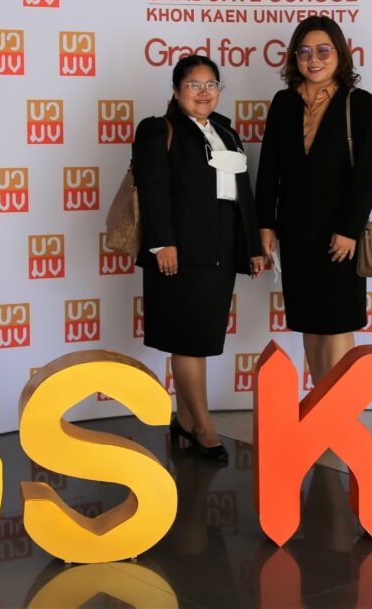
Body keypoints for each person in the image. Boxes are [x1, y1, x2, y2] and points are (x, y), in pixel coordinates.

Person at [133, 54, 265, 461]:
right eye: (194, 84)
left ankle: (186, 420)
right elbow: (152, 188)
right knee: (188, 340)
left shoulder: (226, 131)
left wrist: (253, 247)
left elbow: (242, 193)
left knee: (200, 339)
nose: (203, 92)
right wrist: (162, 243)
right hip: (180, 251)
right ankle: (204, 427)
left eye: (211, 84)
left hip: (220, 249)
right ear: (177, 91)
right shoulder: (158, 129)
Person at [255, 16, 372, 387]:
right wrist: (265, 223)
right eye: (305, 51)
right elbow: (269, 167)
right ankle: (320, 403)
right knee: (309, 322)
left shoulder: (361, 104)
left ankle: (340, 410)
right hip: (295, 231)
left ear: (340, 53)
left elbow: (367, 172)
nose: (314, 59)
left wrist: (349, 229)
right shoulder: (283, 103)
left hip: (339, 234)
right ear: (294, 57)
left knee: (338, 323)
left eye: (323, 50)